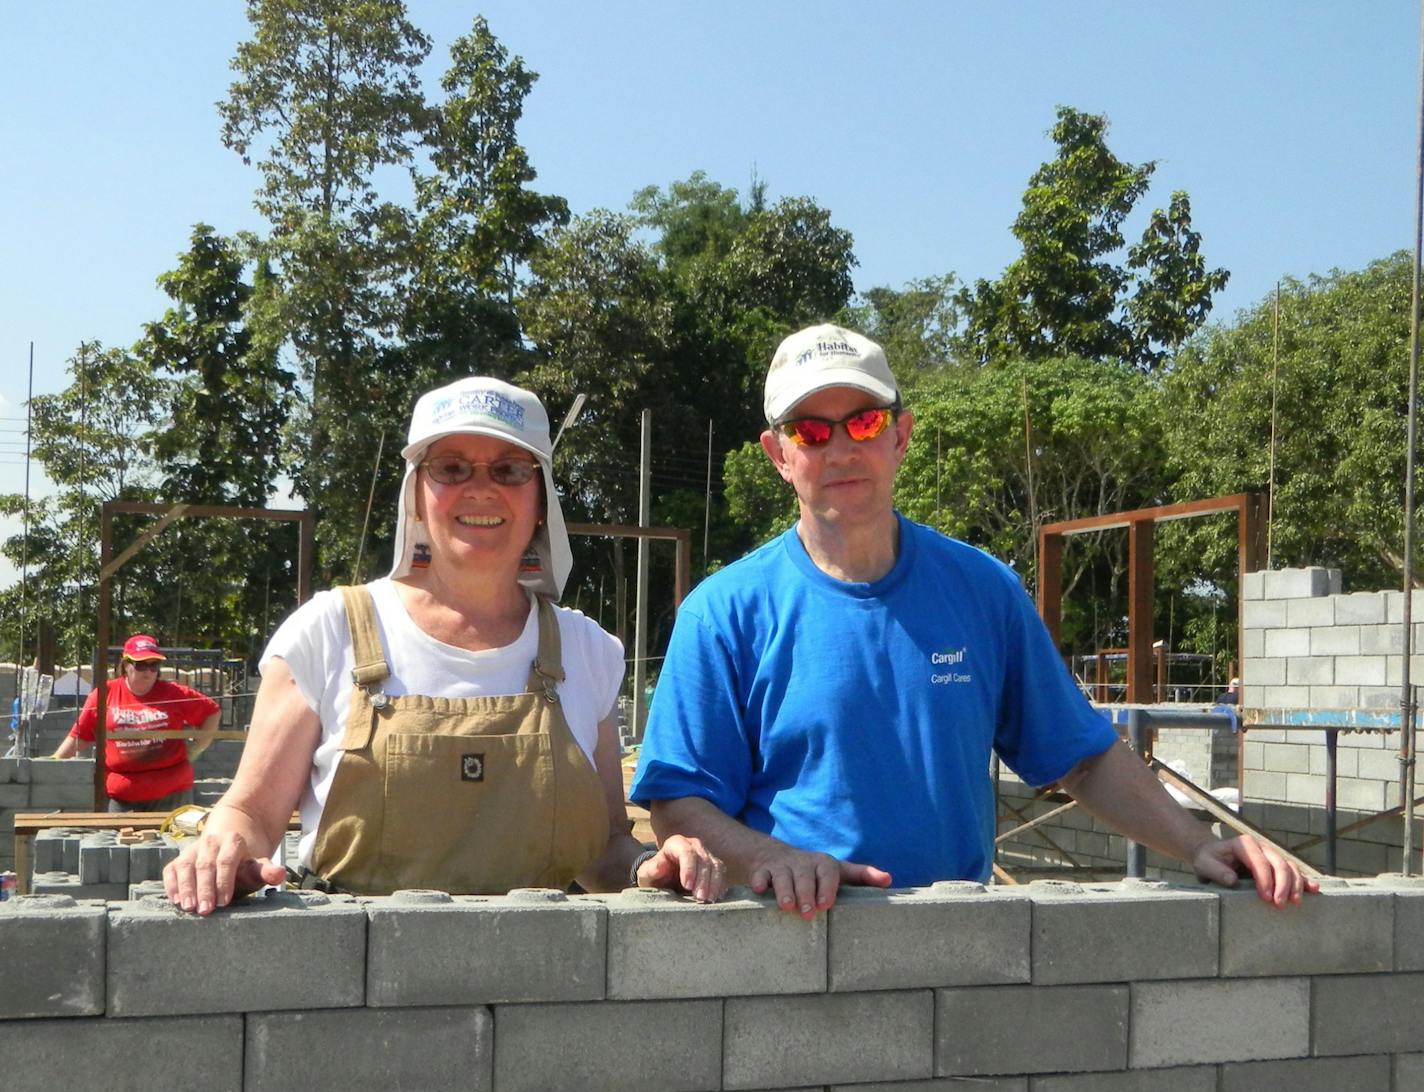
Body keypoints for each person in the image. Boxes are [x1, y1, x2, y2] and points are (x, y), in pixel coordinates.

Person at [631, 324, 1317, 917]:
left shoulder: (983, 591)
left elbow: (1081, 757)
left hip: (956, 951)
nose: (840, 449)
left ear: (901, 435)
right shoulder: (724, 613)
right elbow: (678, 803)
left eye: (863, 422)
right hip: (793, 936)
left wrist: (1200, 844)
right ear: (779, 455)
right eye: (811, 431)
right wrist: (771, 857)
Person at [165, 377, 723, 915]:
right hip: (347, 995)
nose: (481, 488)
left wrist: (647, 866)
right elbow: (253, 813)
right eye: (450, 468)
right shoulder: (329, 632)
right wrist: (224, 847)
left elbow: (603, 847)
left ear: (539, 498)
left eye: (509, 469)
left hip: (542, 989)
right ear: (415, 494)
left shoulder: (585, 651)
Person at [53, 635, 221, 812]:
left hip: (172, 794)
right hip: (121, 796)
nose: (148, 671)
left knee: (173, 840)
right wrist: (53, 763)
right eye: (140, 665)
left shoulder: (174, 693)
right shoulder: (105, 694)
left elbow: (212, 712)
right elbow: (80, 736)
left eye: (154, 665)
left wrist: (196, 749)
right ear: (126, 665)